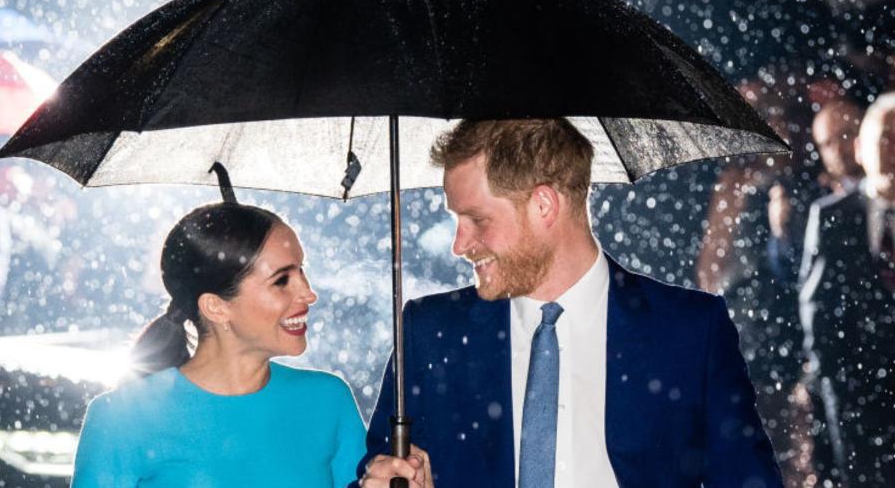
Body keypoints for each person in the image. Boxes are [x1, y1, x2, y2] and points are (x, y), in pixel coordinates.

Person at [360, 118, 783, 487]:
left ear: (544, 205)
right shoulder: (430, 332)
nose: (458, 245)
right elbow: (378, 470)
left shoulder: (690, 330)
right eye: (456, 221)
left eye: (477, 219)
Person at [72, 198, 366, 487]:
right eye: (281, 281)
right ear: (216, 307)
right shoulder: (119, 418)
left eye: (302, 270)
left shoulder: (328, 400)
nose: (308, 293)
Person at [798, 92, 895, 487]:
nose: (892, 150)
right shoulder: (832, 217)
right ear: (862, 149)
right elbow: (817, 310)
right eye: (884, 138)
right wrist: (832, 383)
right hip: (859, 397)